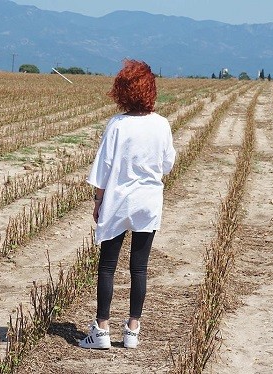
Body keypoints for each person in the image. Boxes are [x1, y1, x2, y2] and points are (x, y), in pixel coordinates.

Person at [79, 60, 176, 349]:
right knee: (139, 267)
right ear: (151, 90)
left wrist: (98, 201)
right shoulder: (161, 124)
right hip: (149, 200)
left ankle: (102, 331)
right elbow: (168, 164)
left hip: (119, 200)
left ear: (122, 91)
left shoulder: (117, 125)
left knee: (108, 266)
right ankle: (132, 330)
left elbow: (104, 168)